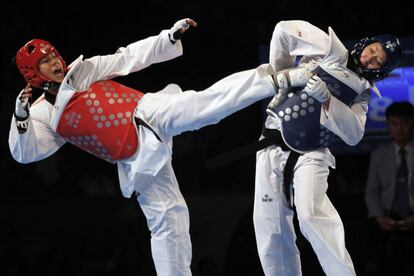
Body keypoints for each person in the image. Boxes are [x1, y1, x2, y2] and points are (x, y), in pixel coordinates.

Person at [9, 18, 278, 276]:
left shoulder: (83, 70)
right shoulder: (41, 115)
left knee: (204, 108)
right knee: (168, 221)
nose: (55, 62)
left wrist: (166, 38)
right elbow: (26, 153)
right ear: (32, 73)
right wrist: (21, 119)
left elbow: (128, 57)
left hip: (148, 113)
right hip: (135, 160)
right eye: (45, 61)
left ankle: (272, 78)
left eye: (53, 55)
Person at [252, 20, 404, 276]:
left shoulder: (362, 94)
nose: (370, 57)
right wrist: (282, 78)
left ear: (381, 70)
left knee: (312, 215)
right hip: (272, 141)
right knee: (270, 226)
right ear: (368, 42)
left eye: (378, 60)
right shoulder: (329, 47)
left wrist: (328, 99)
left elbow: (354, 134)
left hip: (312, 154)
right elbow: (282, 31)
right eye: (374, 49)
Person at [365, 101, 414, 275]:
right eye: (395, 123)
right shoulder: (379, 154)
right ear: (388, 125)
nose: (400, 128)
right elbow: (371, 192)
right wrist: (379, 217)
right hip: (387, 218)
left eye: (405, 123)